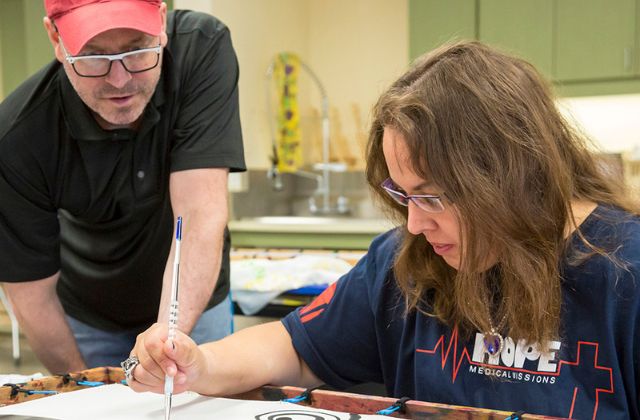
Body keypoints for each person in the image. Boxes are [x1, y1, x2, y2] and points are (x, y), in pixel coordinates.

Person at [126, 41, 639, 419]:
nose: (415, 223)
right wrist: (196, 365)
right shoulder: (404, 261)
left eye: (433, 196)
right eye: (403, 195)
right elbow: (296, 348)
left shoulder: (626, 273)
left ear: (511, 174)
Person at [0, 0, 245, 373]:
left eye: (136, 49)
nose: (119, 80)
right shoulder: (19, 135)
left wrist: (168, 344)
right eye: (94, 57)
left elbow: (199, 213)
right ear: (55, 36)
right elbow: (31, 295)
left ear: (161, 22)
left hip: (195, 297)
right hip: (88, 314)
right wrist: (83, 391)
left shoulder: (201, 49)